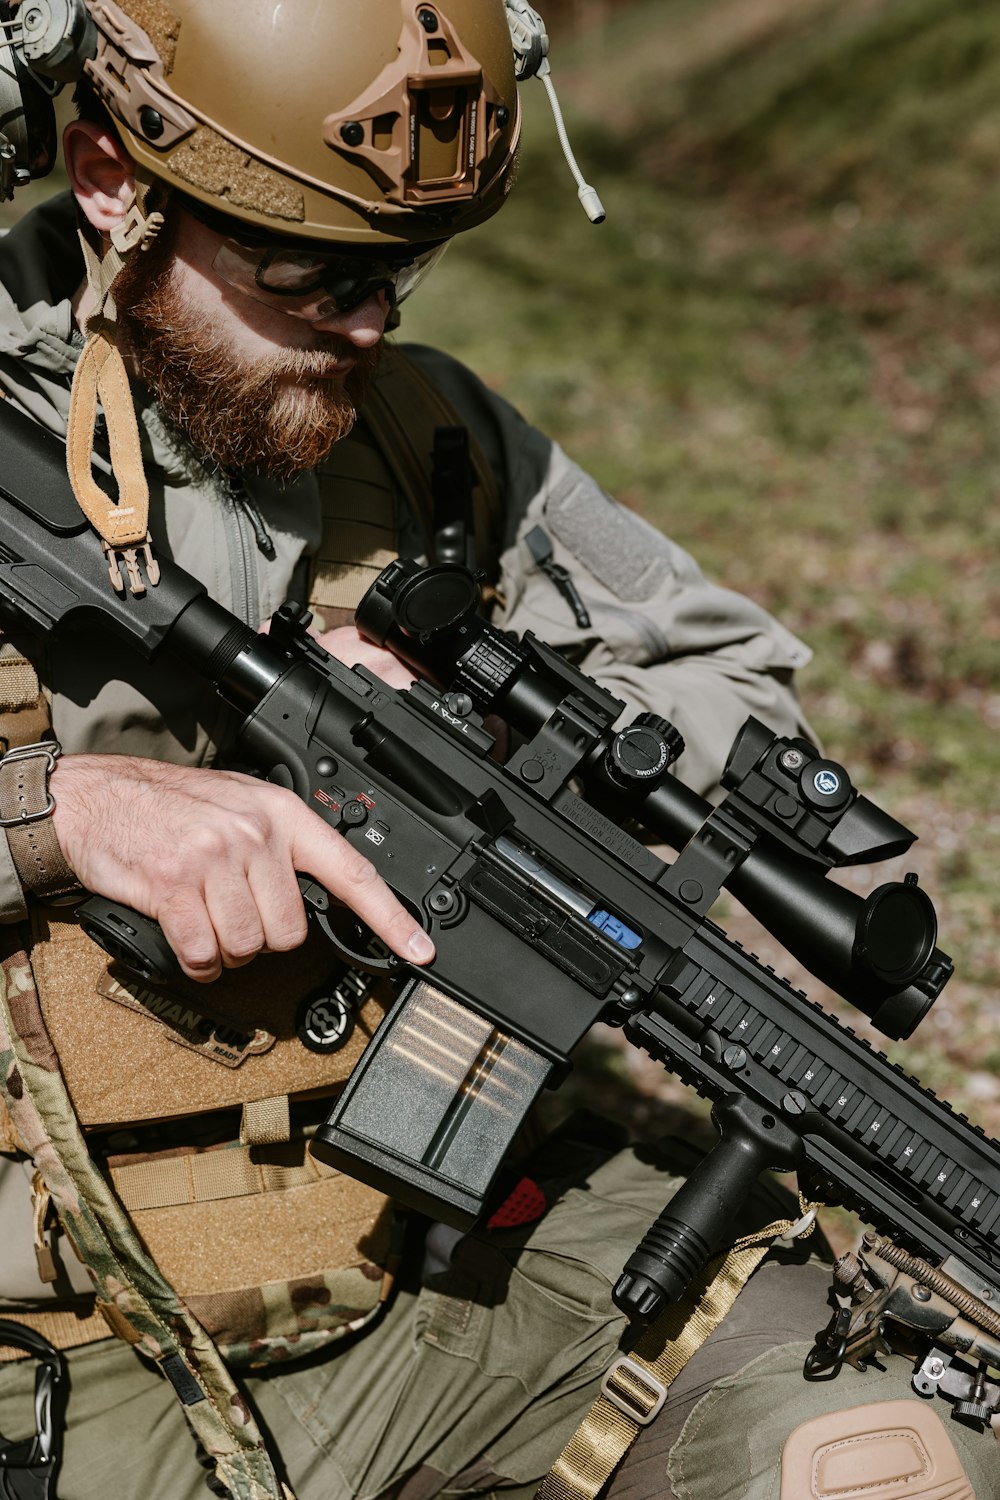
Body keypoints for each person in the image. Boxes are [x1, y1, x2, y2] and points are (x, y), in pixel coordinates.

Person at [0, 4, 991, 1498]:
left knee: (887, 1456)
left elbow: (723, 686)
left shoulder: (422, 437)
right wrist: (59, 806)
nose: (368, 321)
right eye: (308, 274)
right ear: (105, 183)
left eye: (398, 269)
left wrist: (507, 723)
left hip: (446, 1286)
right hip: (67, 1353)